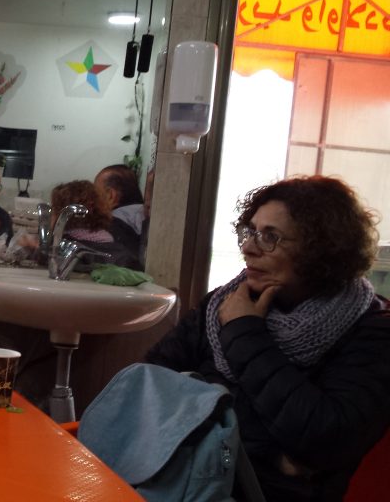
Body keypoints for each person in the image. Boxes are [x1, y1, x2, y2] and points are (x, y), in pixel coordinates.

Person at [145, 176, 390, 502]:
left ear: (321, 249)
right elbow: (151, 383)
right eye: (250, 232)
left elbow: (327, 439)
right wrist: (272, 453)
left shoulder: (372, 330)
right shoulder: (222, 302)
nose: (248, 247)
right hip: (180, 478)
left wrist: (244, 332)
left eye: (270, 237)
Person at [49, 180, 141, 270]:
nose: (50, 216)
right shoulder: (122, 252)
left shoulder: (62, 251)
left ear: (63, 214)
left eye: (53, 209)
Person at [94, 164, 145, 254]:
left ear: (110, 196)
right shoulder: (149, 215)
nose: (93, 200)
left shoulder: (110, 227)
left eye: (96, 194)